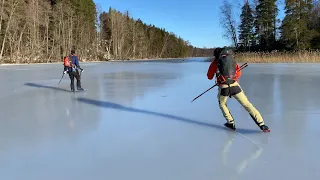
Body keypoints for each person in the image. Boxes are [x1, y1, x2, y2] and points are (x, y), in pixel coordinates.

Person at [206, 47, 270, 132]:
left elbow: (209, 77)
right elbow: (238, 73)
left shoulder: (215, 62)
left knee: (222, 104)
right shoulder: (232, 60)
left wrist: (219, 77)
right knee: (247, 104)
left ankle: (230, 122)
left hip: (223, 88)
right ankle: (262, 124)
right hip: (235, 86)